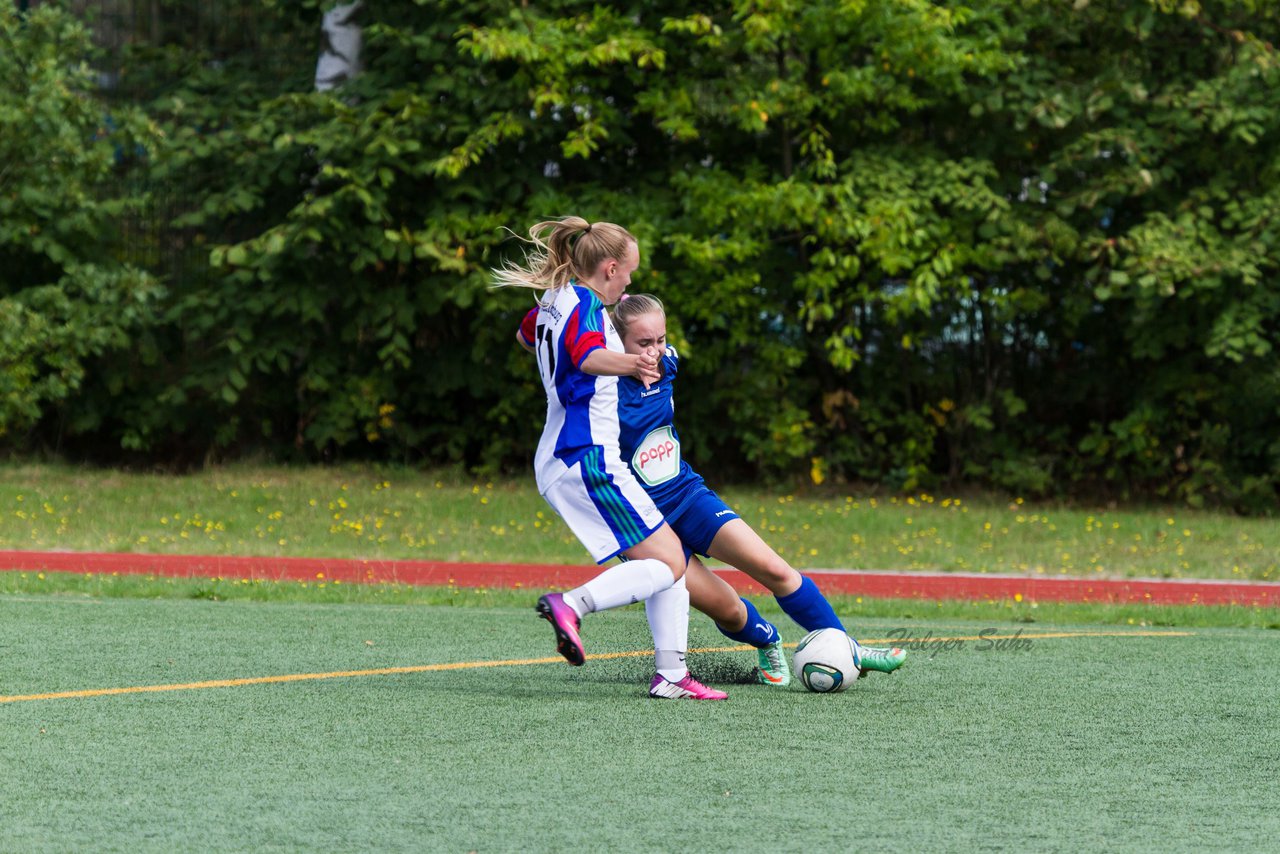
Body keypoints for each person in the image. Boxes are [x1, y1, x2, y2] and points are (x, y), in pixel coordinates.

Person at [608, 294, 907, 682]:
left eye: (660, 340)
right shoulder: (600, 393)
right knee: (727, 609)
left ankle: (848, 647)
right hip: (640, 521)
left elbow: (659, 352)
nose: (655, 351)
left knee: (774, 568)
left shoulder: (669, 364)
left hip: (685, 494)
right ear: (617, 344)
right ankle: (767, 640)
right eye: (643, 344)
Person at [496, 216, 727, 700]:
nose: (630, 283)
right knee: (668, 562)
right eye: (629, 273)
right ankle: (572, 605)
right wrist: (637, 362)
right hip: (586, 455)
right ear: (610, 267)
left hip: (566, 454)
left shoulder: (553, 301)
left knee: (668, 558)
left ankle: (671, 676)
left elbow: (524, 337)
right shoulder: (581, 301)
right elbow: (584, 356)